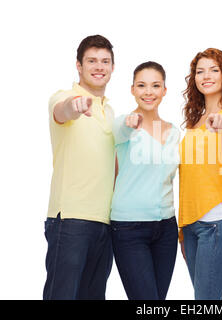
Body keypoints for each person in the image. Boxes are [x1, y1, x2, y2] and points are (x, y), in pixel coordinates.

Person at [43, 35, 115, 300]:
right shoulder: (64, 97)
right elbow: (62, 112)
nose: (99, 67)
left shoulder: (110, 112)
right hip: (71, 220)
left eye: (105, 61)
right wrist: (74, 106)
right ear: (79, 66)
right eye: (92, 61)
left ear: (112, 67)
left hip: (104, 223)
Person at [179, 48, 222, 300]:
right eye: (200, 71)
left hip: (217, 222)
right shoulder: (193, 122)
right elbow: (187, 178)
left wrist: (218, 122)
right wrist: (182, 230)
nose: (206, 76)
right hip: (192, 224)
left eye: (214, 70)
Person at [111, 61, 180, 300]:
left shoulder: (174, 132)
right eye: (141, 85)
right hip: (129, 227)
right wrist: (129, 123)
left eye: (155, 85)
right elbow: (120, 129)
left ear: (164, 90)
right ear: (132, 89)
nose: (148, 92)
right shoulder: (122, 125)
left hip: (167, 228)